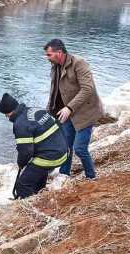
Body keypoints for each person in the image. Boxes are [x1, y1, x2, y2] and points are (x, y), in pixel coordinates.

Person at [44, 38, 103, 180]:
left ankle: (91, 177)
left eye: (49, 55)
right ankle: (64, 175)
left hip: (85, 112)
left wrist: (69, 108)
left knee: (80, 149)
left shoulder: (79, 63)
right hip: (66, 112)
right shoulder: (55, 66)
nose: (47, 58)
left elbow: (87, 89)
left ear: (59, 52)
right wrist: (48, 110)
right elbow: (55, 91)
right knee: (66, 146)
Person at [0, 93, 68, 198]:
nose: (6, 116)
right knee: (37, 174)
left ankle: (30, 207)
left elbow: (25, 151)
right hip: (64, 151)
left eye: (5, 113)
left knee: (22, 185)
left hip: (52, 157)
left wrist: (21, 163)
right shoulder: (36, 110)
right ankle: (40, 195)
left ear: (10, 111)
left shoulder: (20, 124)